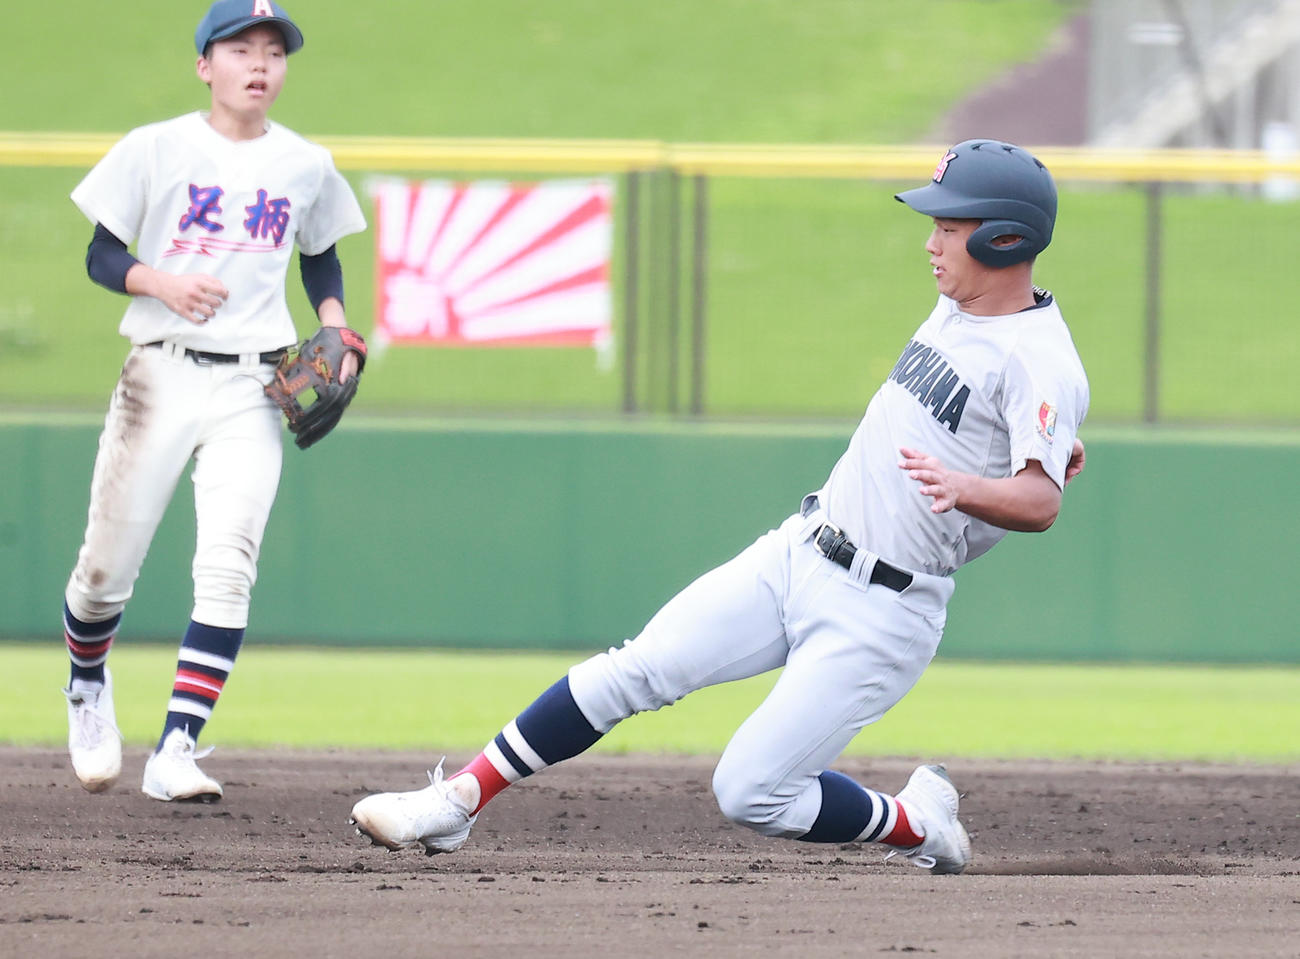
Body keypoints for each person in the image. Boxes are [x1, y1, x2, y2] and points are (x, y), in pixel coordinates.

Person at [349, 138, 1089, 873]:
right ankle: (454, 804)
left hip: (885, 609)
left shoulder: (1040, 357)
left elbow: (1039, 500)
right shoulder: (957, 308)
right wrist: (1016, 462)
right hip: (801, 548)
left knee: (751, 790)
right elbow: (1006, 445)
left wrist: (979, 486)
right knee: (634, 669)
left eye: (949, 229)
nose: (931, 243)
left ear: (1004, 237)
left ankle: (918, 825)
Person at [61, 0, 367, 802]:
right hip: (160, 370)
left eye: (274, 50)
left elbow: (321, 258)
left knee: (229, 566)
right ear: (205, 65)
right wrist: (159, 280)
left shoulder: (305, 163)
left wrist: (334, 325)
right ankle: (87, 686)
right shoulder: (156, 148)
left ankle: (176, 749)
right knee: (104, 572)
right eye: (241, 49)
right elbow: (99, 253)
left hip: (252, 384)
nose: (260, 63)